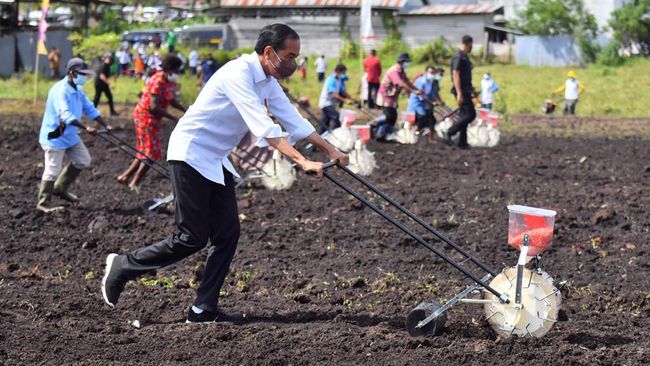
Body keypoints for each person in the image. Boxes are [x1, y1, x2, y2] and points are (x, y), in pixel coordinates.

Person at [101, 24, 348, 323]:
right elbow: (265, 128)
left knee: (227, 232)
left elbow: (293, 121)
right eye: (290, 55)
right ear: (269, 52)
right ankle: (125, 265)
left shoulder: (267, 81)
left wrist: (330, 150)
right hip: (190, 152)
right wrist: (301, 160)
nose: (293, 63)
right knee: (191, 236)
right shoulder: (238, 74)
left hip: (216, 158)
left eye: (296, 56)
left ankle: (203, 308)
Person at [36, 58, 111, 212]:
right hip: (55, 137)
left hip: (70, 136)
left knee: (83, 160)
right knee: (52, 169)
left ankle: (60, 188)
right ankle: (43, 203)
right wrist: (86, 128)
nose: (85, 77)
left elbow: (89, 108)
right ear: (72, 73)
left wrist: (105, 124)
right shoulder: (60, 90)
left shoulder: (78, 89)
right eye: (82, 74)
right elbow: (65, 115)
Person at [117, 55, 187, 190]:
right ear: (170, 69)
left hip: (152, 118)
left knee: (144, 150)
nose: (178, 74)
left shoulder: (169, 81)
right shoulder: (157, 81)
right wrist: (174, 119)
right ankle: (135, 182)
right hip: (145, 117)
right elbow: (153, 107)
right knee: (152, 152)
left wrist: (186, 110)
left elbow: (171, 100)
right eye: (177, 70)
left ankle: (125, 177)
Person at [375, 52, 422, 141]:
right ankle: (376, 125)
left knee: (393, 116)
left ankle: (385, 134)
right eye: (406, 62)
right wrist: (413, 91)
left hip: (392, 97)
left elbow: (407, 81)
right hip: (385, 96)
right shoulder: (394, 71)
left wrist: (416, 90)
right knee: (389, 116)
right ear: (402, 61)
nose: (407, 64)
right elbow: (401, 83)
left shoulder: (401, 71)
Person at [445, 35, 476, 150]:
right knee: (470, 114)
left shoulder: (464, 57)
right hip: (461, 90)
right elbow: (456, 73)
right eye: (471, 45)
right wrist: (459, 93)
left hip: (466, 89)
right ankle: (450, 132)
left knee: (464, 115)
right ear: (468, 43)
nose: (472, 47)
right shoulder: (458, 56)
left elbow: (465, 75)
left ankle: (463, 142)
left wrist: (472, 89)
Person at [318, 63, 356, 133]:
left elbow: (343, 91)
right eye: (343, 72)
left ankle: (321, 138)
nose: (344, 74)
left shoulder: (338, 80)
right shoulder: (331, 80)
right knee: (337, 117)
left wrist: (351, 98)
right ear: (338, 71)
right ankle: (335, 134)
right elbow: (333, 95)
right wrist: (345, 100)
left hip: (331, 104)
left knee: (324, 124)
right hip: (326, 104)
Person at [407, 65, 439, 142]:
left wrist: (436, 100)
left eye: (433, 73)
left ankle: (429, 137)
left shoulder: (430, 82)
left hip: (425, 103)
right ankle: (413, 133)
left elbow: (430, 94)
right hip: (417, 102)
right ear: (426, 72)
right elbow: (421, 95)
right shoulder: (421, 81)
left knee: (432, 120)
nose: (432, 74)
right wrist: (432, 102)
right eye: (430, 72)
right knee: (423, 117)